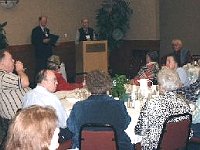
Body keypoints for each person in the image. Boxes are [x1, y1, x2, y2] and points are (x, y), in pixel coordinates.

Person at [67, 70, 133, 150]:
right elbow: (125, 124)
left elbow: (71, 127)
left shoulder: (78, 107)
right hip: (118, 146)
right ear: (108, 85)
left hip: (86, 146)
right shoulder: (117, 105)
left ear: (88, 86)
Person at [135, 67, 191, 150]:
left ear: (161, 86)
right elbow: (188, 133)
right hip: (178, 145)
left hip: (155, 146)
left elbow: (140, 130)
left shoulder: (152, 102)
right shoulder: (184, 103)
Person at [23, 69, 72, 142]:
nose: (57, 82)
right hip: (47, 138)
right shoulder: (51, 98)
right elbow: (64, 123)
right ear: (44, 82)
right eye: (54, 80)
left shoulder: (27, 95)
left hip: (29, 136)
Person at [0, 50, 30, 145]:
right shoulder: (2, 76)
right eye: (10, 59)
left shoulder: (8, 75)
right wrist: (20, 71)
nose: (13, 60)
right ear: (2, 63)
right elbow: (25, 82)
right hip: (14, 120)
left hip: (20, 117)